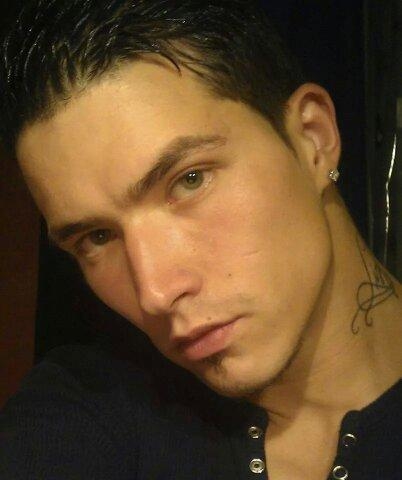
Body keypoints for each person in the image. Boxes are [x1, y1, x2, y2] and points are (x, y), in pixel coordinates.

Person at [0, 1, 401, 479]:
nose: (155, 292)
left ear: (312, 139)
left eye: (189, 180)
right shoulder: (82, 408)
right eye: (98, 236)